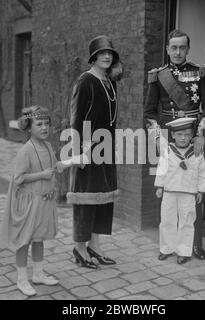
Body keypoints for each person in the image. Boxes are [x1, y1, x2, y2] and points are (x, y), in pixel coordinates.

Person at [144, 29, 205, 260]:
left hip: (193, 139)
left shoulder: (199, 73)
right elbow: (148, 113)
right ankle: (167, 245)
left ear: (188, 49)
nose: (177, 52)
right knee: (165, 193)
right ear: (167, 49)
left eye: (182, 47)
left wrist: (201, 136)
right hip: (167, 141)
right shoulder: (158, 76)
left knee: (193, 192)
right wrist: (158, 139)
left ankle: (194, 245)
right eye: (173, 47)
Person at [0, 106, 80, 296]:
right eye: (39, 124)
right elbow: (18, 178)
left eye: (47, 124)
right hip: (30, 203)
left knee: (39, 238)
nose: (44, 128)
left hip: (45, 201)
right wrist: (41, 175)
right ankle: (21, 279)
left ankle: (38, 273)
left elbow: (55, 166)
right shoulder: (25, 151)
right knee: (24, 241)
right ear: (29, 127)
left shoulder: (48, 146)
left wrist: (72, 161)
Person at [67, 35, 123, 269]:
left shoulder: (111, 82)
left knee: (103, 198)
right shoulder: (85, 81)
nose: (107, 56)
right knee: (86, 198)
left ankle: (95, 246)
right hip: (89, 148)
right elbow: (77, 118)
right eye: (102, 53)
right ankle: (80, 248)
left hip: (106, 147)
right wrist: (80, 150)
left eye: (110, 53)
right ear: (93, 57)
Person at [154, 117, 205, 264]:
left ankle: (183, 251)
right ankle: (166, 248)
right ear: (173, 135)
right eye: (179, 134)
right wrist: (159, 186)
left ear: (192, 136)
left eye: (187, 134)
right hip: (170, 191)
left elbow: (202, 173)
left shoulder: (197, 152)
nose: (183, 138)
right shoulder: (168, 151)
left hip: (188, 193)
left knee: (187, 222)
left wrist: (200, 191)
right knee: (167, 220)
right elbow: (162, 169)